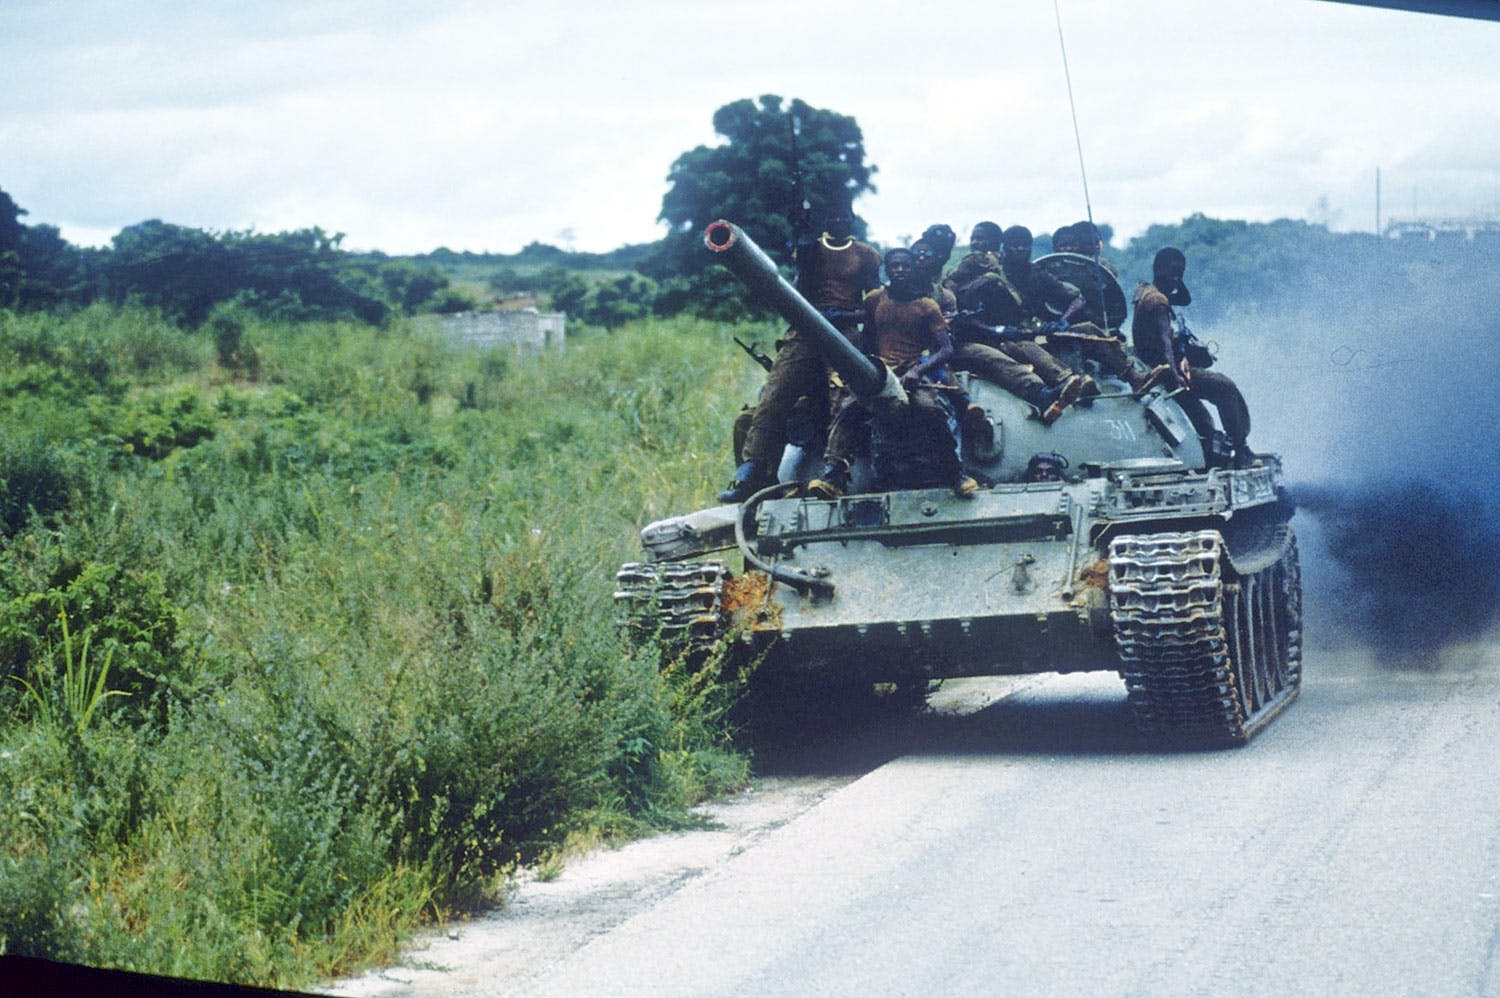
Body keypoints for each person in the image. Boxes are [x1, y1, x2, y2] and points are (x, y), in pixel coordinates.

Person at [716, 204, 881, 502]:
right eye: (834, 216)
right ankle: (751, 471)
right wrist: (804, 248)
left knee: (842, 398)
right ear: (826, 220)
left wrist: (850, 317)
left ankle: (835, 471)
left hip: (844, 331)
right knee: (774, 394)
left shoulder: (866, 255)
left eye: (844, 216)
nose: (839, 220)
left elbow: (874, 301)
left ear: (852, 220)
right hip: (806, 327)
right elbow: (798, 288)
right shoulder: (810, 249)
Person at [809, 248, 978, 499]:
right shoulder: (875, 299)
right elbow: (867, 338)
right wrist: (863, 370)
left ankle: (955, 472)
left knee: (930, 410)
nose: (899, 270)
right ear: (886, 270)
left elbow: (945, 349)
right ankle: (835, 475)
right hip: (881, 373)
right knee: (849, 409)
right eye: (894, 266)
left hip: (913, 372)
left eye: (904, 266)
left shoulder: (927, 306)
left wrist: (918, 371)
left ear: (912, 270)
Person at [1131, 247, 1257, 468]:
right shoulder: (1158, 301)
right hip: (1164, 370)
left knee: (1203, 420)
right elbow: (1164, 342)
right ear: (1159, 270)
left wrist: (1176, 280)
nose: (1177, 277)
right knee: (1225, 387)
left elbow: (1185, 300)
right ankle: (1240, 447)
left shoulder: (1146, 291)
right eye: (1173, 272)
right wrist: (1175, 373)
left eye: (1181, 272)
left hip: (1153, 365)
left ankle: (1219, 452)